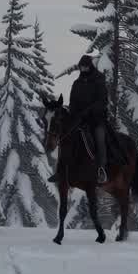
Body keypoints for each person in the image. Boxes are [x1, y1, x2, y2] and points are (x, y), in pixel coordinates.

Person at [48, 54, 110, 184]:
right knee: (65, 137)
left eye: (85, 67)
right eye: (81, 67)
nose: (83, 69)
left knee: (99, 138)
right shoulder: (77, 83)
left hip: (96, 118)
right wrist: (73, 112)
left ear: (90, 66)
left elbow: (102, 100)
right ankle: (61, 171)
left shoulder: (99, 79)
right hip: (80, 118)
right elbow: (73, 101)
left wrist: (89, 111)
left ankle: (101, 169)